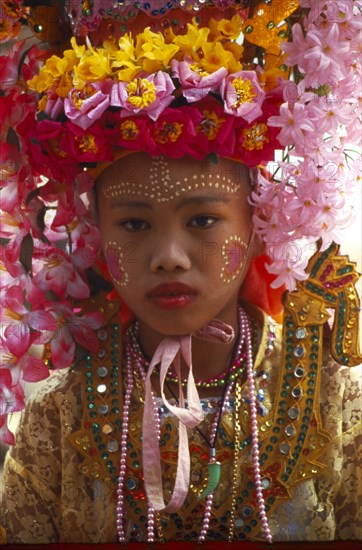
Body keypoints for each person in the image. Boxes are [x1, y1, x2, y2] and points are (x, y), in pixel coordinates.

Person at [0, 0, 361, 544]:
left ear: (259, 220)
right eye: (135, 224)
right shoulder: (59, 409)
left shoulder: (330, 397)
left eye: (202, 219)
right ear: (97, 229)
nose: (169, 255)